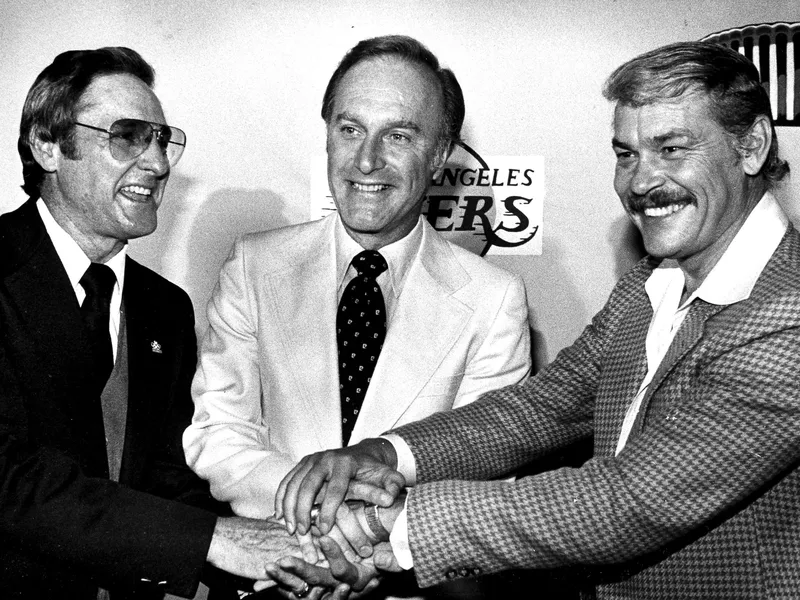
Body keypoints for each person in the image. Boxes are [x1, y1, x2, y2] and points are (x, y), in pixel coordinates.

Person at [276, 40, 800, 599]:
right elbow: (538, 410)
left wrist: (389, 526)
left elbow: (628, 502)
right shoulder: (649, 286)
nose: (640, 182)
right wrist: (382, 454)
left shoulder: (788, 314)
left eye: (671, 149)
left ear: (752, 147)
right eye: (626, 154)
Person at [0, 47, 321, 600]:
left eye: (160, 139)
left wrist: (279, 564)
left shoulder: (164, 308)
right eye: (128, 136)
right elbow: (9, 480)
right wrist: (213, 540)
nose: (158, 162)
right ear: (47, 146)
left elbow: (170, 478)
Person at [183, 34, 530, 526]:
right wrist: (328, 511)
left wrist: (367, 528)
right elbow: (219, 432)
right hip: (271, 562)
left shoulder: (494, 299)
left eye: (399, 136)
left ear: (439, 155)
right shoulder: (253, 264)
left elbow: (482, 465)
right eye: (350, 129)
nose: (366, 161)